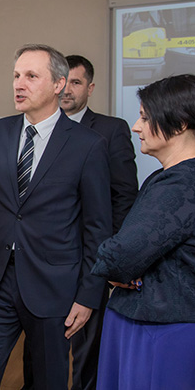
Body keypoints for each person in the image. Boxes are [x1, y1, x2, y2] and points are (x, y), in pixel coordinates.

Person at [0, 44, 112, 389]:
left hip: (54, 287)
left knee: (47, 381)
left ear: (59, 84)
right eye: (17, 75)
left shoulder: (88, 144)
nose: (19, 84)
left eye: (31, 76)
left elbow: (97, 228)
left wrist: (88, 295)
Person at [22, 54, 139, 390]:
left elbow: (123, 195)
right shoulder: (34, 129)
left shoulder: (110, 130)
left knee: (86, 343)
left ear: (90, 87)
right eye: (65, 82)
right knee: (40, 343)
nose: (68, 90)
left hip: (90, 257)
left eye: (77, 82)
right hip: (41, 260)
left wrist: (110, 256)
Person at [92, 74, 195, 389]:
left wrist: (118, 269)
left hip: (160, 328)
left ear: (179, 124)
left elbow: (118, 257)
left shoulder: (180, 184)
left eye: (145, 118)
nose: (136, 127)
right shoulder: (169, 178)